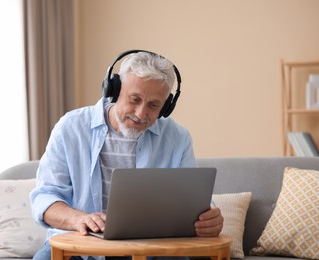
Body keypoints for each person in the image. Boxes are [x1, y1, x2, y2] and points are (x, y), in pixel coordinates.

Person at [30, 50, 224, 260]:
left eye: (153, 105)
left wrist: (208, 219)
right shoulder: (71, 127)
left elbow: (192, 201)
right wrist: (78, 219)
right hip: (80, 247)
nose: (141, 114)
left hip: (152, 250)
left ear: (166, 106)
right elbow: (44, 197)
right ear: (114, 90)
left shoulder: (178, 138)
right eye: (134, 99)